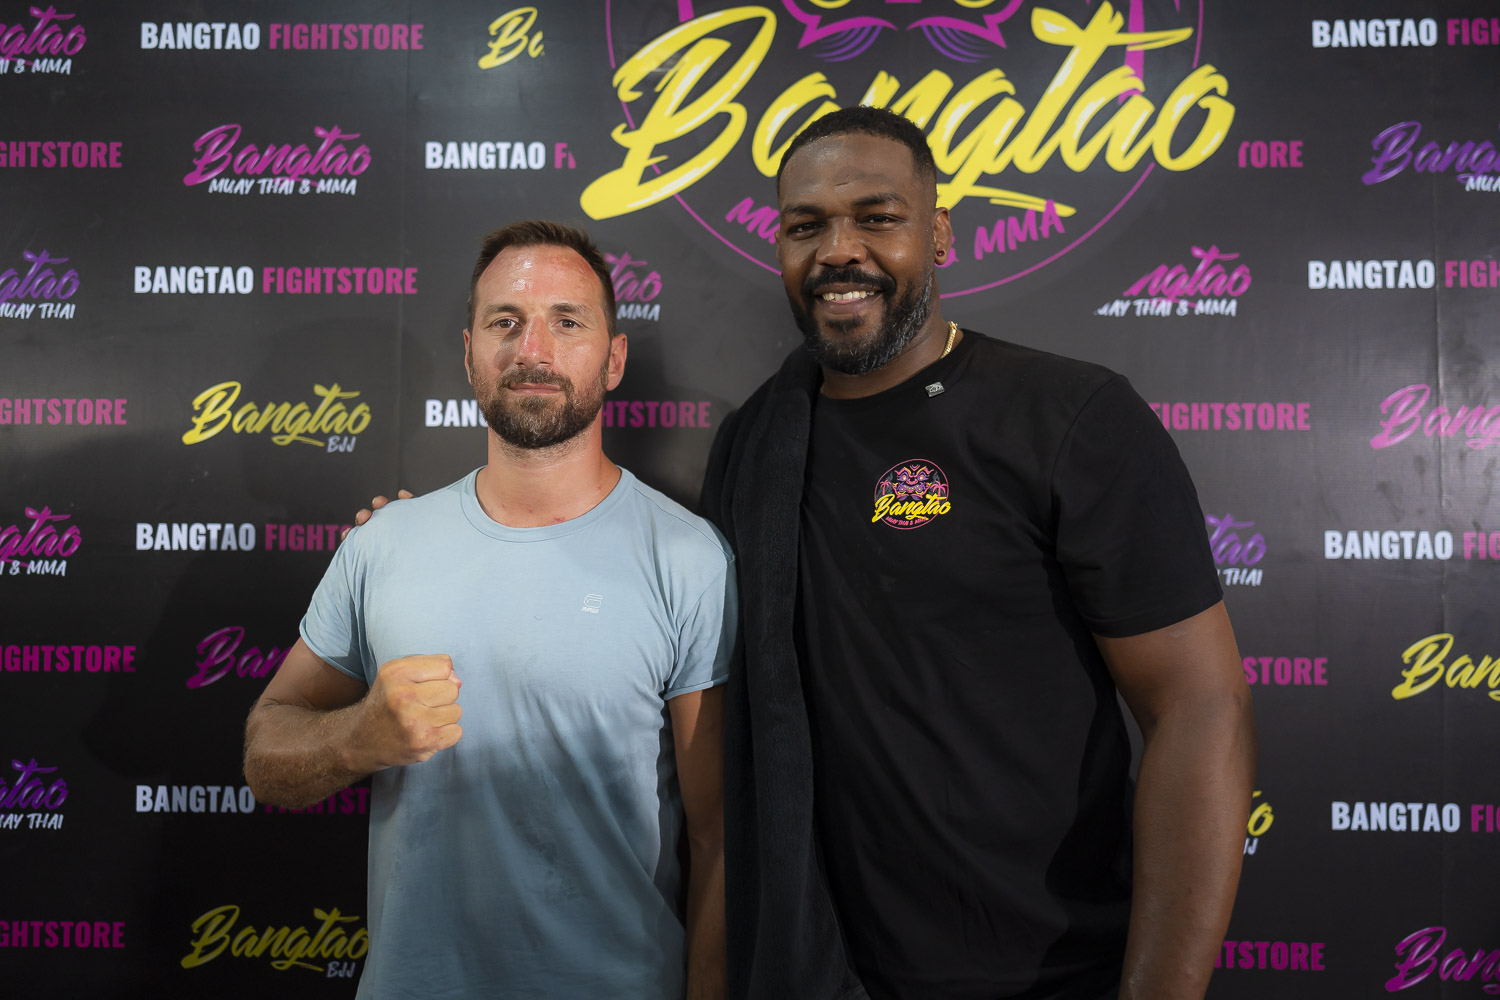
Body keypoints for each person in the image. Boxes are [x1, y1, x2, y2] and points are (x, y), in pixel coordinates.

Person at [698, 107, 1256, 1000]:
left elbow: (1199, 708)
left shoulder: (1071, 418)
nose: (839, 251)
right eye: (806, 226)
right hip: (821, 971)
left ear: (940, 235)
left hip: (1050, 975)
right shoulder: (756, 441)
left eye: (877, 217)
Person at [244, 220, 735, 1000]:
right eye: (506, 322)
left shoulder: (690, 559)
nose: (532, 349)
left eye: (566, 322)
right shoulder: (384, 544)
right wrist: (357, 738)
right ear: (470, 353)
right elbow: (266, 757)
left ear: (613, 360)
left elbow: (718, 839)